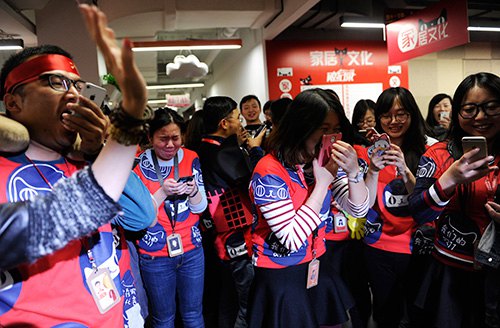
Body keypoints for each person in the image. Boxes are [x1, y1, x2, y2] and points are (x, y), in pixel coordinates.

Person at [0, 4, 151, 326]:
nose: (73, 95)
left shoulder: (86, 160)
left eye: (77, 86)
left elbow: (141, 218)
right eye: (55, 82)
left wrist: (99, 151)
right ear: (14, 102)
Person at [248, 88, 369, 328]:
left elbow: (357, 209)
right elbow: (290, 238)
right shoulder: (269, 170)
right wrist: (322, 184)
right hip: (281, 273)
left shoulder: (321, 160)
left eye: (336, 129)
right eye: (325, 129)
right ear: (301, 127)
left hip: (317, 263)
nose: (332, 137)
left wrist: (354, 173)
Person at [410, 72, 500, 328]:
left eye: (491, 107)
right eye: (470, 109)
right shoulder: (438, 155)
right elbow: (418, 212)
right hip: (450, 274)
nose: (481, 117)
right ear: (458, 112)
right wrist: (449, 180)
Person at [360, 87, 437, 328]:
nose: (394, 121)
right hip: (378, 247)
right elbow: (363, 203)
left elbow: (427, 201)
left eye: (401, 114)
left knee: (419, 314)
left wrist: (404, 170)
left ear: (412, 115)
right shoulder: (367, 151)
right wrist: (371, 169)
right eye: (386, 115)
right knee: (385, 314)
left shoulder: (430, 150)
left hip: (418, 248)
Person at [133, 107, 207, 328]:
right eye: (162, 138)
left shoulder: (191, 158)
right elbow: (140, 217)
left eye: (175, 138)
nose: (170, 145)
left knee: (193, 316)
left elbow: (200, 208)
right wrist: (163, 191)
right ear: (149, 137)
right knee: (163, 320)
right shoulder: (137, 164)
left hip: (192, 250)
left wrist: (193, 191)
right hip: (155, 254)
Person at [197, 96, 264, 328]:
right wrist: (254, 150)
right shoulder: (224, 152)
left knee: (228, 298)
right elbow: (257, 182)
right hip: (235, 236)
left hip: (217, 238)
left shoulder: (200, 150)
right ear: (224, 123)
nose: (241, 123)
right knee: (245, 301)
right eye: (237, 118)